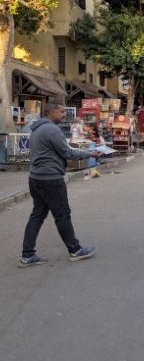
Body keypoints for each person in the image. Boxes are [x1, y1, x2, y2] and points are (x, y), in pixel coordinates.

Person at [18, 102, 101, 267]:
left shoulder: (36, 129)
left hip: (36, 178)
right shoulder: (51, 129)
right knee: (62, 214)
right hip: (50, 179)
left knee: (37, 215)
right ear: (51, 112)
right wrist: (90, 153)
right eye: (61, 112)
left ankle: (27, 255)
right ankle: (75, 250)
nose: (64, 115)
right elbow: (67, 152)